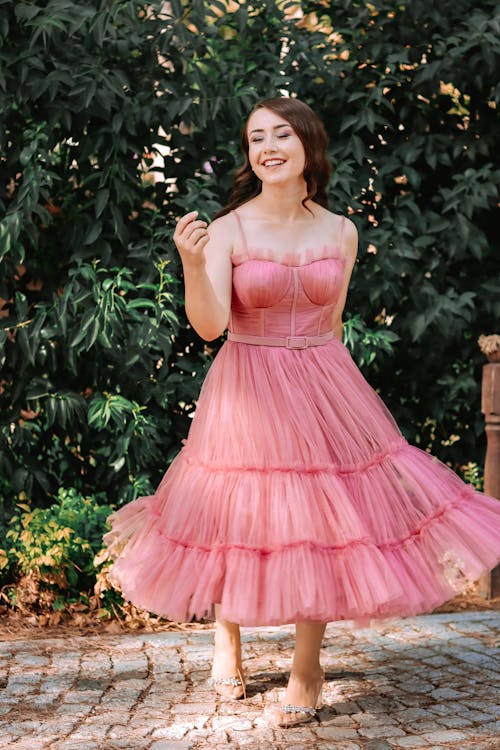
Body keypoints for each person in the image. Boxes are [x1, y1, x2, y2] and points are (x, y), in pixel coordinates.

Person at [104, 97, 500, 728]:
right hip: (247, 377)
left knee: (321, 521)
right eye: (255, 138)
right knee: (238, 510)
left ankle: (306, 668)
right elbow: (210, 327)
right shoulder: (230, 228)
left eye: (280, 134)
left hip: (321, 379)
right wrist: (188, 263)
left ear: (307, 143)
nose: (267, 147)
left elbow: (334, 321)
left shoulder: (340, 230)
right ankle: (226, 634)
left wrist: (332, 398)